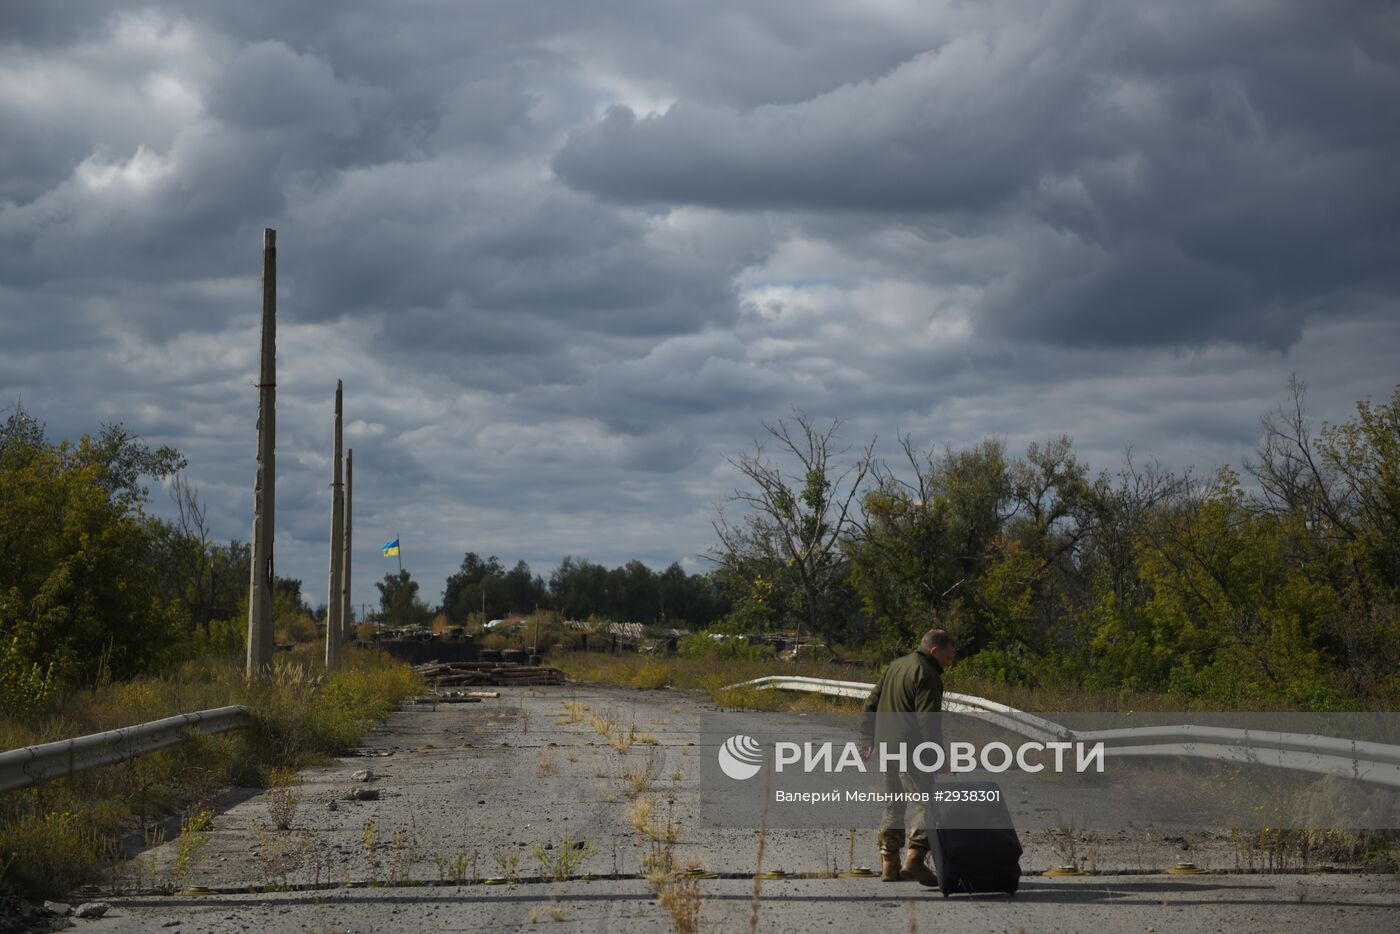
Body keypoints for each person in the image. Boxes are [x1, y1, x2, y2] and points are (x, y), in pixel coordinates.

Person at [860, 627, 956, 885]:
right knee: (927, 803)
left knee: (894, 805)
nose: (948, 663)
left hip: (887, 747)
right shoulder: (927, 673)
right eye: (947, 657)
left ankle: (889, 864)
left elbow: (871, 702)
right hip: (911, 749)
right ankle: (914, 859)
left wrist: (866, 739)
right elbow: (928, 721)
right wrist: (937, 754)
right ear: (934, 651)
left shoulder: (896, 665)